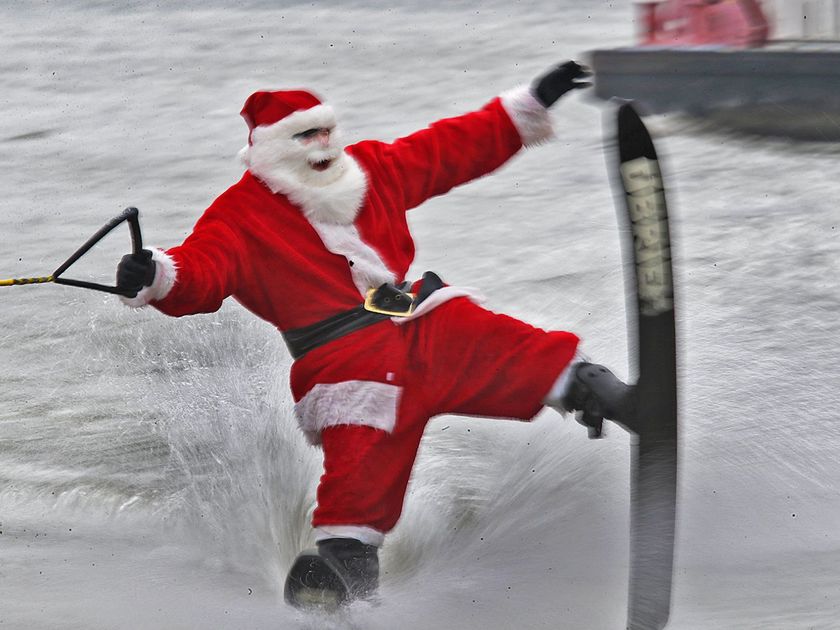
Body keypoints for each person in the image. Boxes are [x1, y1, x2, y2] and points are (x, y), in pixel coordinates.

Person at [116, 61, 636, 609]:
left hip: (421, 323)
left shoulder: (369, 170)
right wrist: (156, 275)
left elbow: (447, 150)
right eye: (304, 136)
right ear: (269, 150)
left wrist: (530, 103)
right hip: (346, 365)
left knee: (510, 349)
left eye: (325, 132)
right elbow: (201, 271)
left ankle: (605, 393)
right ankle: (342, 578)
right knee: (357, 481)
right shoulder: (237, 215)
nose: (321, 144)